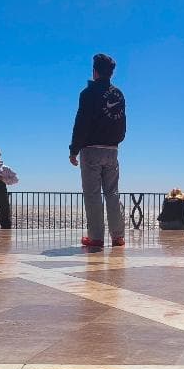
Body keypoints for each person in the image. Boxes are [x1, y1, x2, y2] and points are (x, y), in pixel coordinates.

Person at [69, 53, 127, 248]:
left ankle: (96, 237)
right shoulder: (118, 94)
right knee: (112, 193)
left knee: (93, 194)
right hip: (112, 150)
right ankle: (118, 236)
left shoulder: (88, 94)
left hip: (91, 150)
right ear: (111, 73)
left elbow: (81, 123)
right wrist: (115, 142)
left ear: (94, 71)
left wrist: (74, 149)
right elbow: (122, 123)